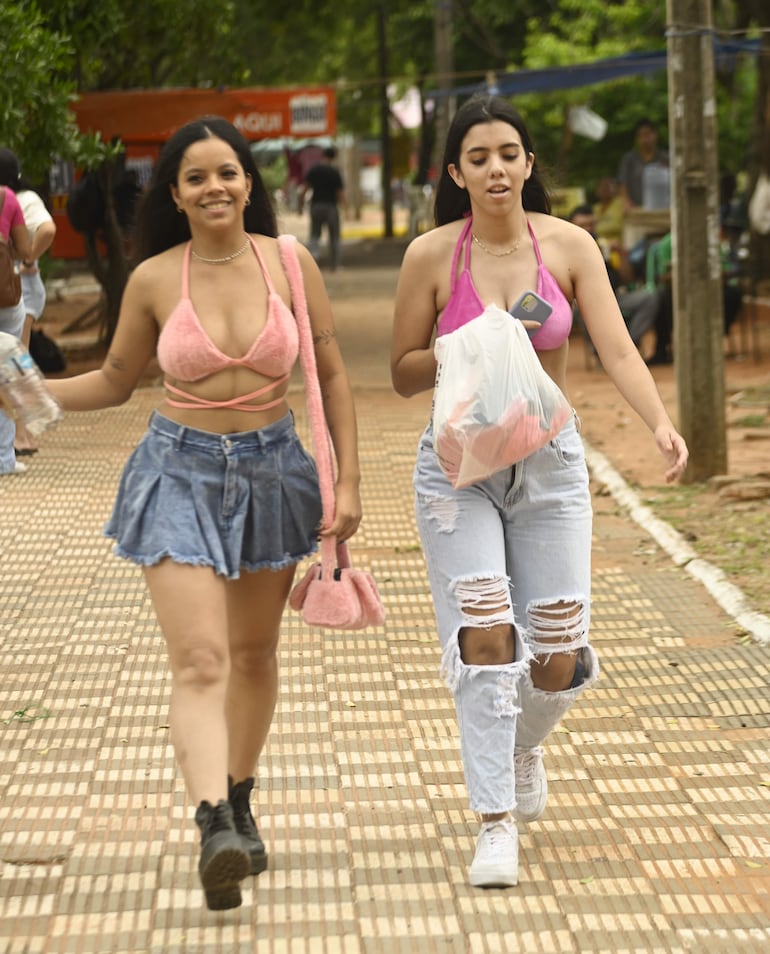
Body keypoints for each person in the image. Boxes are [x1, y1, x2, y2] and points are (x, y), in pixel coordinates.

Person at [45, 117, 362, 910]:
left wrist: (348, 483)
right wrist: (26, 395)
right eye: (196, 177)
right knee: (199, 661)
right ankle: (213, 822)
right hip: (176, 474)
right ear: (176, 195)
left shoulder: (290, 263)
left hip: (273, 474)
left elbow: (331, 373)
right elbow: (115, 381)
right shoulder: (155, 278)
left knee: (253, 655)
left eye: (227, 172)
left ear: (249, 183)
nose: (214, 187)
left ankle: (240, 799)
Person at [391, 95, 688, 889]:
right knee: (486, 631)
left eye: (507, 154)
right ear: (456, 173)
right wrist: (469, 343)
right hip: (458, 469)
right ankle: (494, 821)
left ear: (528, 164)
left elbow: (617, 348)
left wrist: (660, 423)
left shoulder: (569, 246)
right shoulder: (431, 255)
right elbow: (402, 372)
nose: (495, 169)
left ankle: (520, 745)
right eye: (477, 158)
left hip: (550, 464)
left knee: (555, 657)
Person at [0, 148, 57, 456]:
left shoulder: (23, 199)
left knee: (14, 361)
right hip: (13, 288)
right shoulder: (15, 198)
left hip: (18, 288)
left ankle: (22, 435)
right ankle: (20, 436)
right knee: (13, 361)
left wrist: (29, 259)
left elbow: (48, 229)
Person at [0, 157, 35, 476]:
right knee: (7, 373)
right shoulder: (6, 197)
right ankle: (4, 459)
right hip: (5, 299)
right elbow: (26, 250)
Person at [299, 146, 345, 271]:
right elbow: (340, 192)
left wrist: (300, 206)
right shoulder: (334, 172)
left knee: (315, 234)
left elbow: (304, 189)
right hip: (331, 206)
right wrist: (345, 208)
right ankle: (335, 265)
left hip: (316, 205)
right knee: (334, 237)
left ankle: (313, 262)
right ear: (334, 157)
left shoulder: (314, 170)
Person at [616, 119, 669, 211]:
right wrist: (625, 201)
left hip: (662, 208)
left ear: (655, 134)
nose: (645, 139)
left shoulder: (665, 158)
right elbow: (622, 182)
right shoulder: (629, 159)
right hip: (636, 208)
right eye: (641, 136)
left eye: (647, 134)